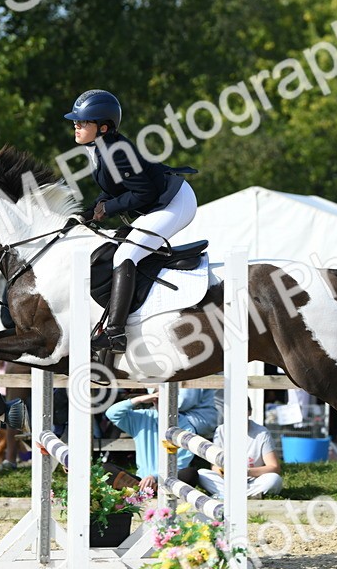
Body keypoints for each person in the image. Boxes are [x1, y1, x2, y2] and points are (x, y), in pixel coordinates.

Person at [64, 89, 198, 360]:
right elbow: (113, 188)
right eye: (76, 121)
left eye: (83, 121)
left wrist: (108, 208)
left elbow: (144, 193)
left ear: (103, 127)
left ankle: (115, 332)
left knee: (126, 254)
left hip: (175, 203)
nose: (76, 125)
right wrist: (87, 213)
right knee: (119, 246)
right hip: (159, 202)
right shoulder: (100, 147)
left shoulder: (116, 152)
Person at [105, 388, 218, 488]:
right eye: (160, 400)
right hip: (141, 479)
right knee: (106, 468)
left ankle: (148, 490)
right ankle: (146, 489)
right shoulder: (141, 417)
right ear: (153, 401)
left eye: (170, 401)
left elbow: (181, 463)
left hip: (169, 479)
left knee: (190, 473)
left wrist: (154, 477)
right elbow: (111, 413)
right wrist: (139, 399)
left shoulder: (187, 426)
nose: (166, 405)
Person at [196, 402, 283, 500]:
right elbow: (215, 465)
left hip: (254, 479)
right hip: (228, 481)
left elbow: (274, 467)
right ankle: (248, 496)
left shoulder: (262, 433)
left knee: (274, 479)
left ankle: (228, 495)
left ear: (249, 412)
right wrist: (224, 475)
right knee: (202, 474)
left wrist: (247, 472)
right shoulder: (221, 430)